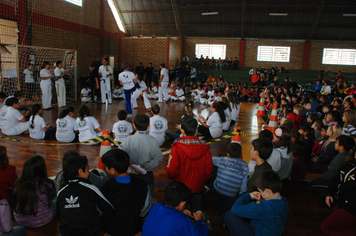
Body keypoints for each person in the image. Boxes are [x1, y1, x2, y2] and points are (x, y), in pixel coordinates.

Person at [57, 154, 114, 236]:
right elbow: (109, 209)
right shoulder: (91, 188)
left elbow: (60, 216)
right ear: (80, 172)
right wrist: (101, 225)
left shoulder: (61, 191)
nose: (89, 172)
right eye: (87, 170)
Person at [101, 149, 152, 236]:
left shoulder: (106, 187)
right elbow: (145, 208)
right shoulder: (142, 185)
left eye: (106, 166)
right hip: (134, 228)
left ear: (112, 170)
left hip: (112, 229)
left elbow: (102, 210)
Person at [167, 115, 212, 211]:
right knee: (198, 209)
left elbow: (171, 171)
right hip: (198, 185)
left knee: (178, 211)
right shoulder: (205, 147)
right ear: (196, 129)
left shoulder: (177, 147)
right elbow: (209, 170)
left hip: (181, 187)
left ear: (182, 130)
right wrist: (203, 181)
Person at [224, 170, 290, 236]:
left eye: (260, 191)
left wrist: (248, 196)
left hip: (257, 233)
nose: (260, 193)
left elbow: (235, 208)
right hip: (274, 231)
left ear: (267, 191)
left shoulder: (261, 208)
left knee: (229, 215)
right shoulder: (284, 201)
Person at [120, 114, 163, 198]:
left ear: (134, 125)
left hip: (132, 174)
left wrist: (129, 165)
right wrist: (146, 166)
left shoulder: (128, 140)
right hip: (147, 174)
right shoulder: (153, 141)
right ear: (149, 126)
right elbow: (159, 158)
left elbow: (120, 155)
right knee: (148, 195)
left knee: (133, 195)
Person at [142, 181, 209, 236]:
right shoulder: (183, 220)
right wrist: (199, 221)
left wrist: (180, 214)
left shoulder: (155, 206)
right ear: (182, 204)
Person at [12, 155, 56, 228]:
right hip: (42, 220)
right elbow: (52, 198)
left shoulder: (18, 184)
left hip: (20, 220)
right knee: (55, 201)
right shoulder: (47, 185)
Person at [321, 150, 356, 235]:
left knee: (326, 226)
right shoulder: (348, 164)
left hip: (351, 207)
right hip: (341, 202)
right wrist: (329, 193)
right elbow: (337, 180)